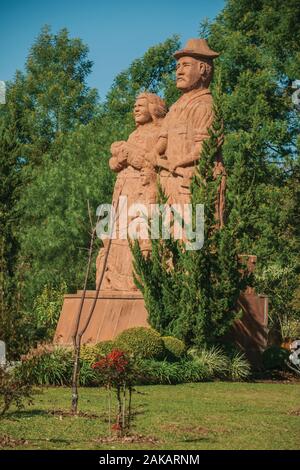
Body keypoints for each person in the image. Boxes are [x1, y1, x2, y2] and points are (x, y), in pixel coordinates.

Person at [96, 93, 167, 290]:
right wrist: (120, 159)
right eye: (134, 105)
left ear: (153, 108)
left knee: (139, 232)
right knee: (119, 232)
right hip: (123, 189)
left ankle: (136, 278)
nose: (135, 109)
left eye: (141, 105)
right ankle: (115, 276)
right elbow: (115, 163)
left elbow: (154, 162)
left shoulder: (159, 133)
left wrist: (131, 155)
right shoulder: (133, 135)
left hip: (142, 189)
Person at [153, 38, 226, 227]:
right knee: (166, 240)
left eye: (185, 65)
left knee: (193, 236)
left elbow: (205, 147)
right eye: (177, 66)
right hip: (169, 184)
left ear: (203, 69)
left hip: (195, 183)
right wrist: (155, 155)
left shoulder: (206, 106)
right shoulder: (175, 108)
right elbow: (162, 141)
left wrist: (176, 163)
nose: (179, 71)